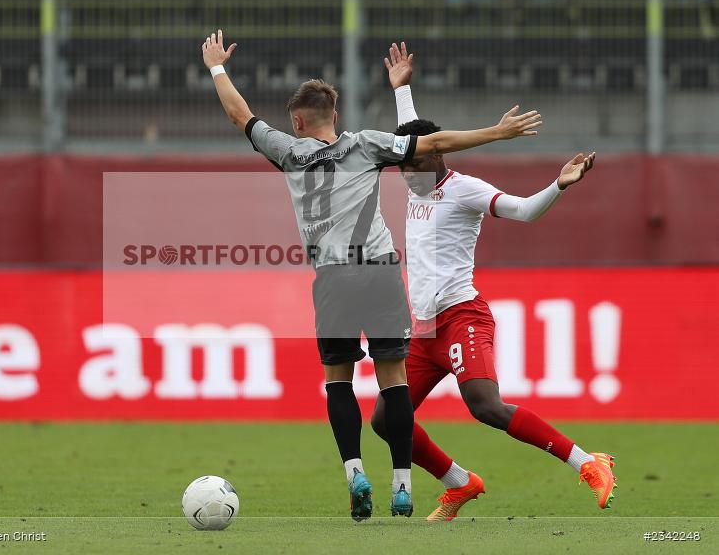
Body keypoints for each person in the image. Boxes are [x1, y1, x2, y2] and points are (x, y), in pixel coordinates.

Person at [201, 30, 542, 520]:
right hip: (380, 272)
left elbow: (240, 115)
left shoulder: (287, 151)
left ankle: (355, 474)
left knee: (338, 380)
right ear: (335, 115)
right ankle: (402, 485)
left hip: (332, 279)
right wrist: (497, 132)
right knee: (393, 379)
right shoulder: (365, 145)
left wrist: (217, 67)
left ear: (297, 122)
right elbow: (434, 142)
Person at [371, 42, 616, 522]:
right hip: (423, 328)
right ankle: (459, 482)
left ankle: (588, 463)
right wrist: (402, 90)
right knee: (385, 419)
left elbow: (523, 211)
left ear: (437, 157)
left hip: (462, 315)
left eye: (412, 164)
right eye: (402, 166)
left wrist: (558, 185)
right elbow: (417, 135)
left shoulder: (464, 189)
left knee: (485, 406)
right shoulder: (418, 175)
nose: (405, 174)